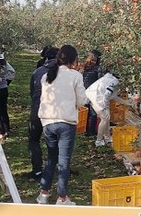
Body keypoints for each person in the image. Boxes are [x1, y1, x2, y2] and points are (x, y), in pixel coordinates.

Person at [37, 45, 87, 205]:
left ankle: (43, 194)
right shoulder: (75, 76)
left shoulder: (46, 76)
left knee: (51, 158)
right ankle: (62, 198)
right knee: (64, 161)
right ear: (74, 60)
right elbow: (81, 101)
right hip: (66, 123)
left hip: (48, 121)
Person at [27, 45, 58, 180]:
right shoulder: (64, 74)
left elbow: (32, 91)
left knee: (34, 139)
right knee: (55, 141)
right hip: (55, 112)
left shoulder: (38, 72)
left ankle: (37, 170)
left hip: (37, 110)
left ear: (45, 57)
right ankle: (58, 168)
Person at [85, 70, 134, 147]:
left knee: (106, 118)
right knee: (105, 118)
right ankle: (99, 140)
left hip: (93, 95)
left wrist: (126, 102)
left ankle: (107, 137)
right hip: (97, 98)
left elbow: (113, 96)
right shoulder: (115, 82)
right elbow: (107, 95)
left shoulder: (111, 79)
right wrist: (105, 107)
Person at [82, 49, 102, 136]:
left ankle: (86, 130)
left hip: (84, 90)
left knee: (86, 111)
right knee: (93, 112)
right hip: (93, 91)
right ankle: (92, 131)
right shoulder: (98, 68)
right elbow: (100, 80)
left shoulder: (86, 66)